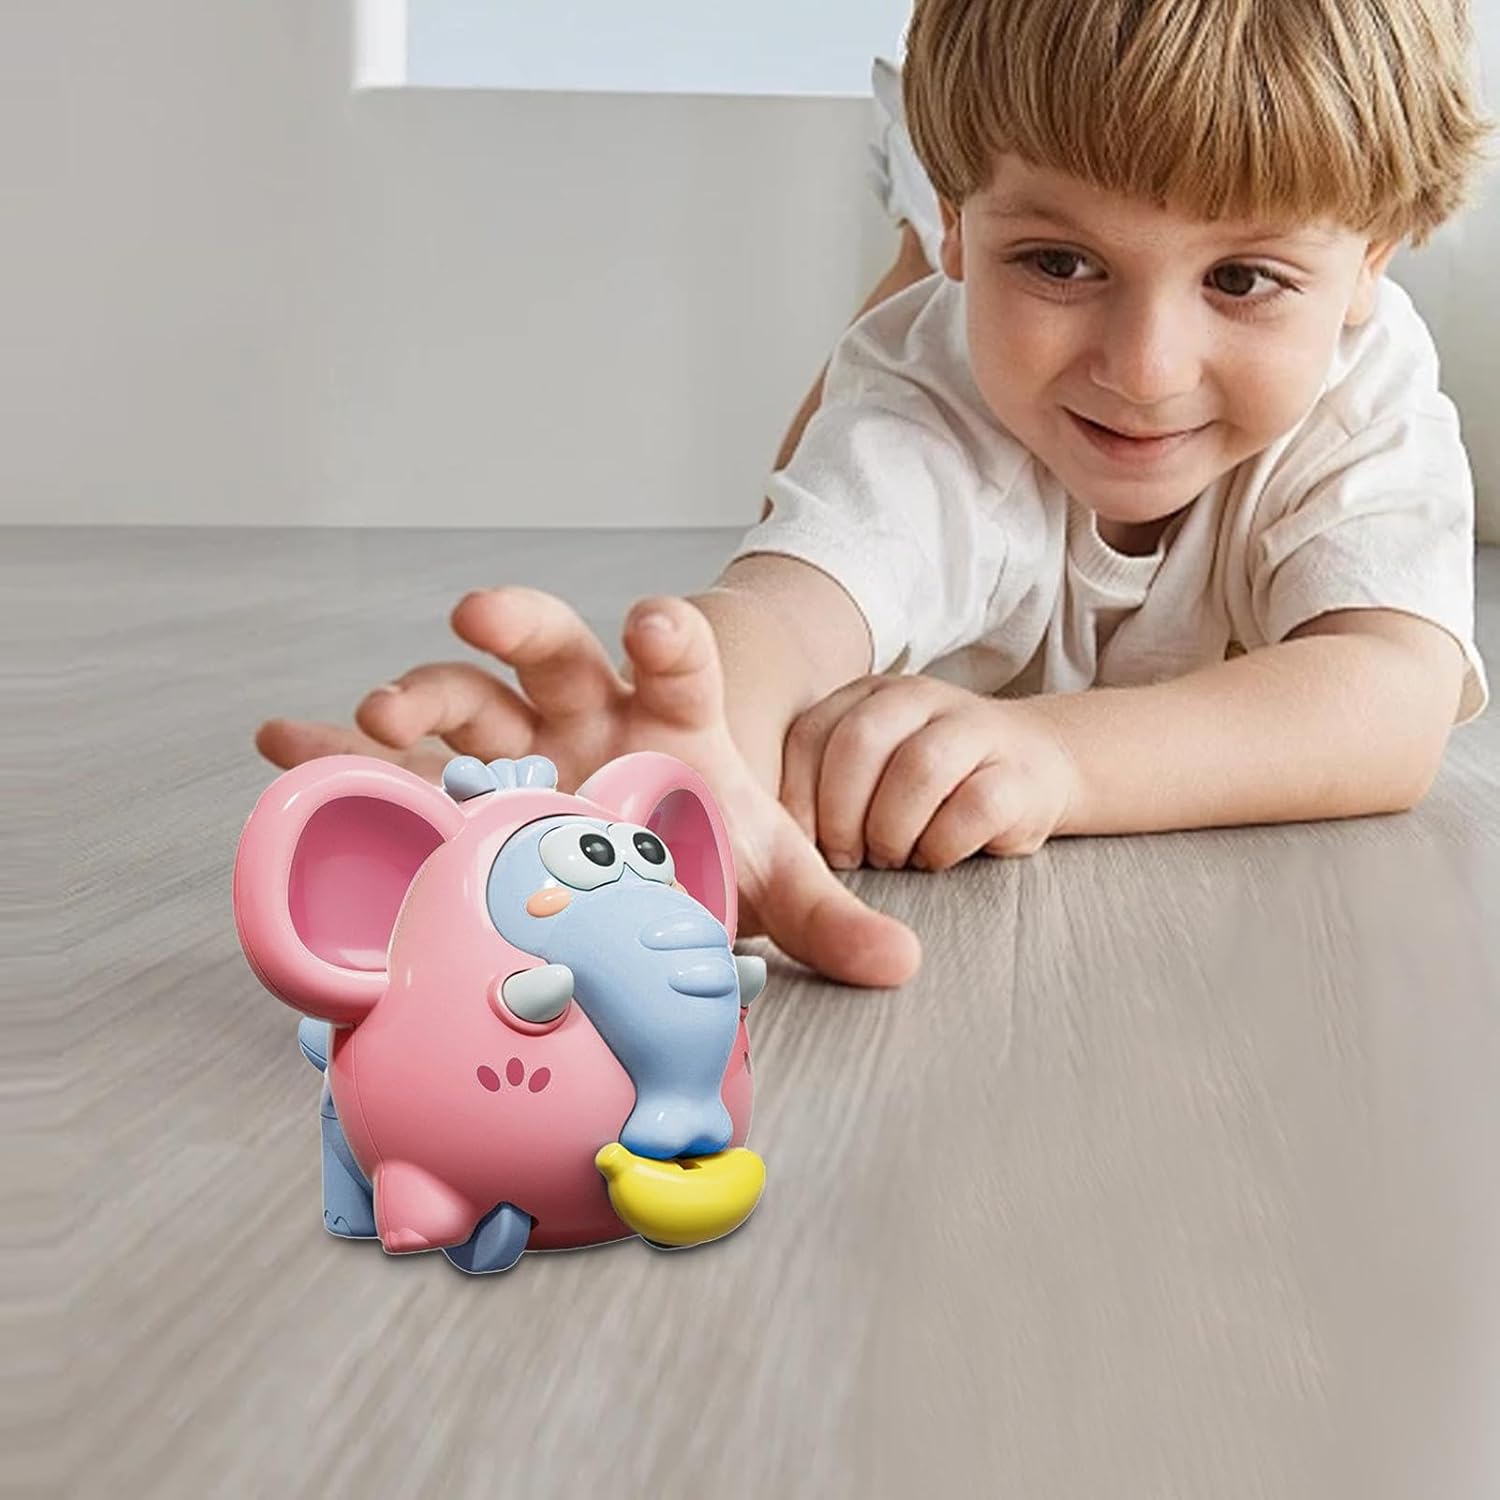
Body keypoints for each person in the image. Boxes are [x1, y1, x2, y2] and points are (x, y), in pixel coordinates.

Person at [258, 0, 1494, 990]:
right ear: (961, 224)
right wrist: (679, 765)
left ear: (1371, 262)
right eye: (1059, 261)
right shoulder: (934, 389)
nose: (1146, 369)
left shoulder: (1367, 395)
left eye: (1243, 278)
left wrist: (1058, 760)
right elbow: (788, 609)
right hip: (930, 348)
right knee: (876, 386)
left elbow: (1390, 700)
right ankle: (938, 209)